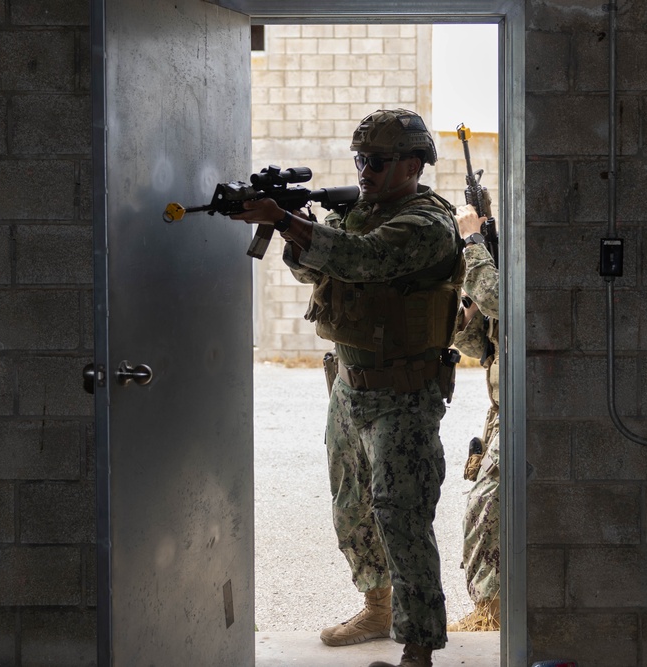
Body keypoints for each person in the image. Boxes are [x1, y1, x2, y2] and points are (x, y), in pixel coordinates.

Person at [230, 109, 464, 667]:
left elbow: (367, 259)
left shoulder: (426, 223)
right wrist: (296, 228)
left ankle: (419, 649)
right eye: (360, 160)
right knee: (352, 506)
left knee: (403, 516)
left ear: (413, 164)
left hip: (404, 395)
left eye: (376, 162)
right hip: (350, 387)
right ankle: (377, 605)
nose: (364, 171)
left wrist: (291, 223)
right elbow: (322, 272)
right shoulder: (364, 212)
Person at [450, 200, 501, 632]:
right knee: (484, 511)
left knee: (486, 511)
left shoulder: (511, 264)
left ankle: (493, 615)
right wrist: (467, 310)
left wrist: (473, 244)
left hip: (529, 414)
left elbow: (502, 302)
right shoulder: (490, 265)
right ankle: (493, 610)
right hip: (502, 414)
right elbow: (478, 348)